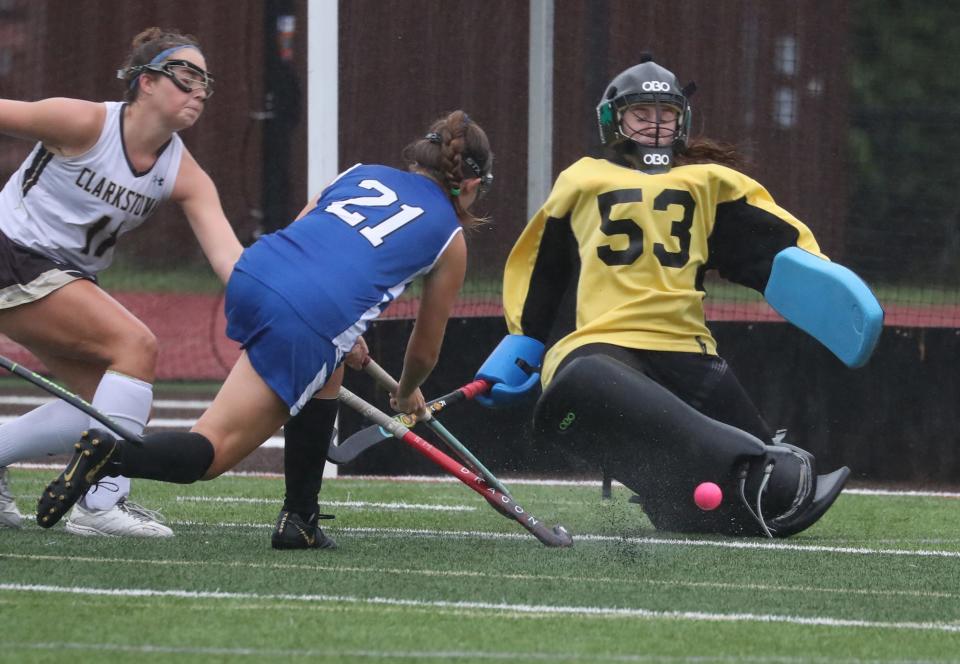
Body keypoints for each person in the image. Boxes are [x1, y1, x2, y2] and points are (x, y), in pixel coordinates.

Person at [35, 110, 495, 550]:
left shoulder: (361, 171)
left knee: (326, 369)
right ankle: (110, 457)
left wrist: (341, 329)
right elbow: (424, 350)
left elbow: (303, 232)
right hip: (308, 316)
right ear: (471, 184)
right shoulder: (449, 239)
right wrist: (407, 392)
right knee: (211, 454)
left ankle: (300, 520)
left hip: (256, 272)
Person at [474, 55, 878, 538]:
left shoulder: (711, 182)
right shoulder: (580, 178)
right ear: (614, 121)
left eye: (665, 114)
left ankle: (677, 502)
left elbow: (773, 244)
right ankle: (666, 481)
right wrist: (526, 338)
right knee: (594, 387)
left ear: (682, 121)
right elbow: (543, 263)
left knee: (776, 476)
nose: (655, 125)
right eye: (641, 114)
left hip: (687, 346)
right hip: (601, 344)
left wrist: (826, 281)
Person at [0, 27, 242, 536]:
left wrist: (291, 303)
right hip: (13, 255)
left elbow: (229, 259)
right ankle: (100, 502)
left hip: (60, 276)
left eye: (206, 81)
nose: (199, 90)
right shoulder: (83, 121)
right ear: (146, 82)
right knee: (135, 346)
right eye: (186, 75)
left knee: (106, 407)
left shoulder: (183, 172)